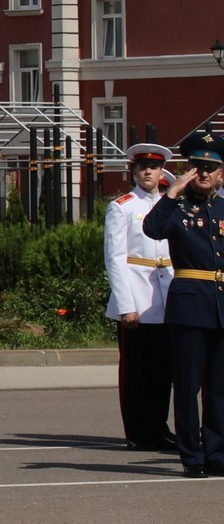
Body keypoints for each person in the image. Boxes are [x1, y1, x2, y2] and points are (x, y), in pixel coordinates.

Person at [142, 130, 224, 477]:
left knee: (220, 389)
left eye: (211, 168)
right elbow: (152, 229)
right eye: (197, 166)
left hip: (222, 307)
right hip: (190, 306)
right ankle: (192, 456)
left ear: (222, 174)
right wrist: (172, 192)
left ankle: (218, 454)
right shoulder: (177, 207)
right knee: (188, 386)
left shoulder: (222, 207)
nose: (203, 174)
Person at [106, 143, 177, 453]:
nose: (148, 172)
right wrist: (126, 305)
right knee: (136, 370)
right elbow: (115, 258)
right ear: (134, 171)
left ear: (162, 172)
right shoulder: (122, 207)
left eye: (153, 167)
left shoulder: (171, 205)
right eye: (142, 167)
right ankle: (137, 431)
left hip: (167, 297)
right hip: (136, 296)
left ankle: (158, 427)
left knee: (163, 371)